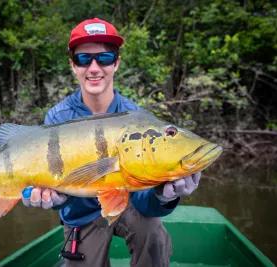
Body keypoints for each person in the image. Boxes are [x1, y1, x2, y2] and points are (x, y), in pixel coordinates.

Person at [21, 18, 201, 267]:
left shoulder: (136, 117)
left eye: (104, 58)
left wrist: (163, 197)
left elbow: (143, 201)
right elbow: (50, 187)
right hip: (82, 214)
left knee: (154, 236)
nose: (94, 68)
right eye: (84, 59)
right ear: (73, 65)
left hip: (128, 204)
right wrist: (54, 198)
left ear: (116, 63)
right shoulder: (58, 118)